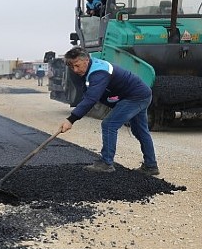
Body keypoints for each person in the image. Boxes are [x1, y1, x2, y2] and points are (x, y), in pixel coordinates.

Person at [59, 46, 159, 175]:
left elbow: (91, 98)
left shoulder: (99, 72)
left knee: (109, 124)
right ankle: (151, 166)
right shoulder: (88, 69)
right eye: (72, 67)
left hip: (136, 96)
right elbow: (87, 93)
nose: (75, 70)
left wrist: (71, 119)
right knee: (140, 131)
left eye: (77, 66)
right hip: (138, 94)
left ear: (86, 61)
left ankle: (106, 163)